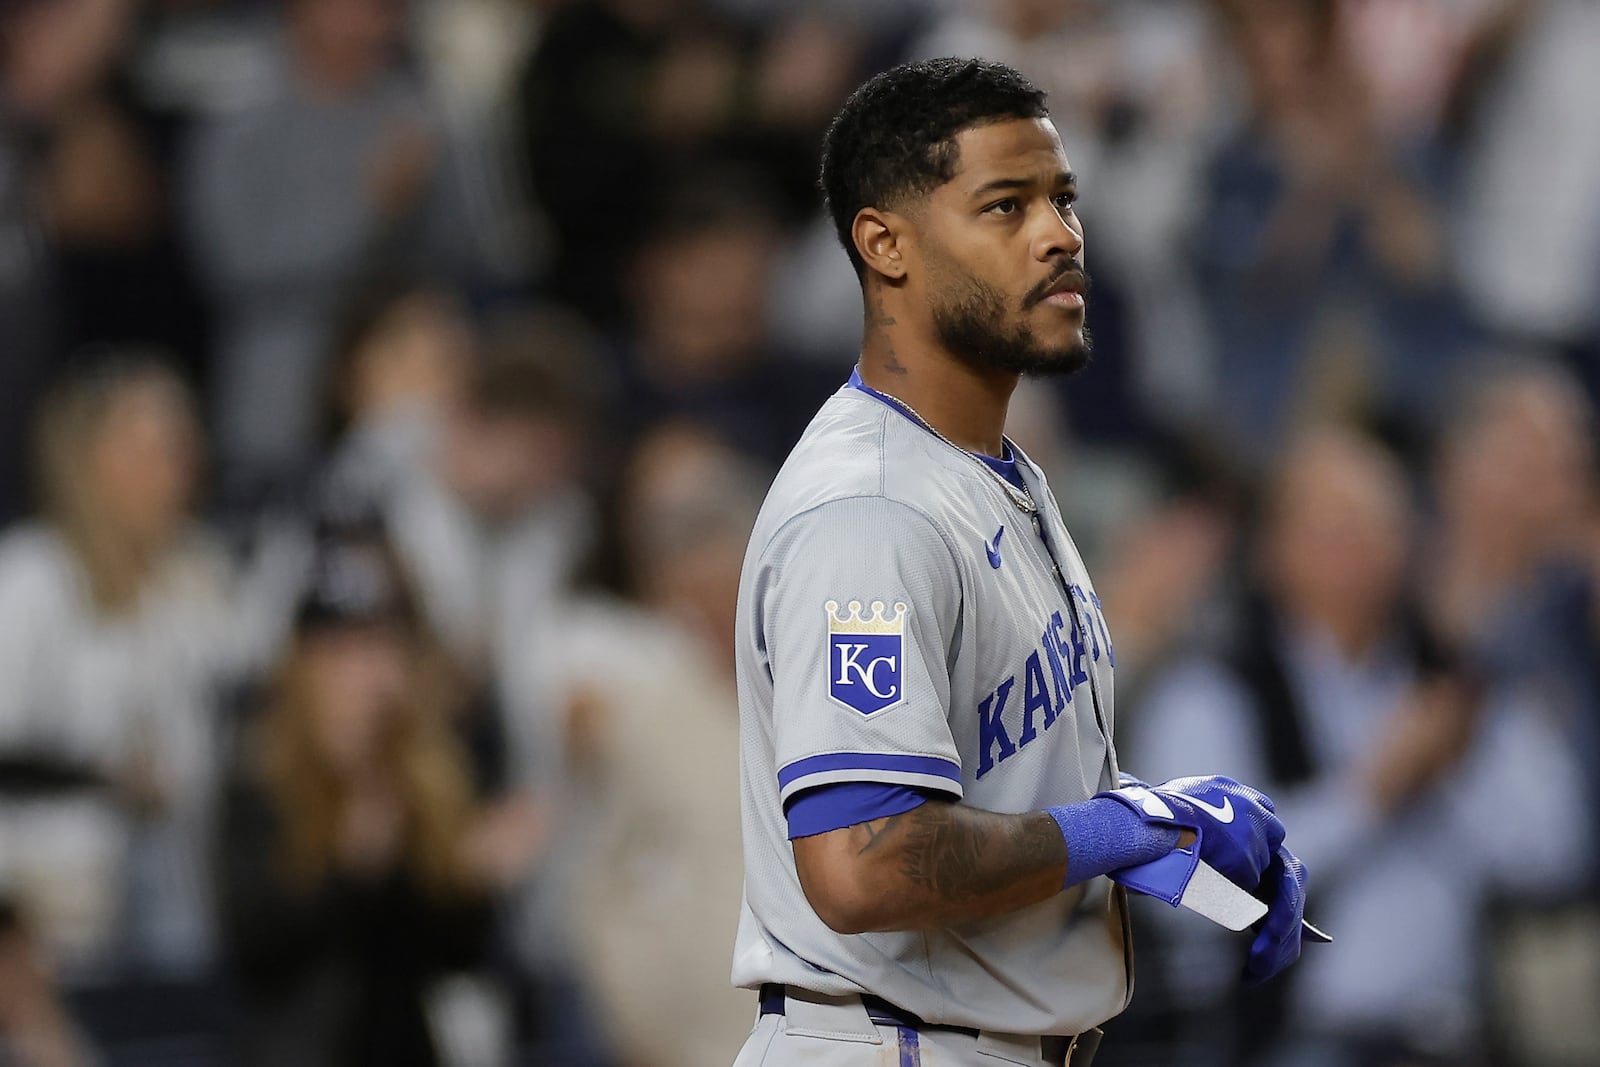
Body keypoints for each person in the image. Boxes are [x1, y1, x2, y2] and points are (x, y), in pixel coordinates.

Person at [731, 58, 1312, 1067]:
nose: (1060, 236)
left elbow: (999, 792)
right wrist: (1126, 822)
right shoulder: (870, 508)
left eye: (1063, 200)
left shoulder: (987, 470)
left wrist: (1168, 836)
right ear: (885, 245)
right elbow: (866, 862)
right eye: (1006, 205)